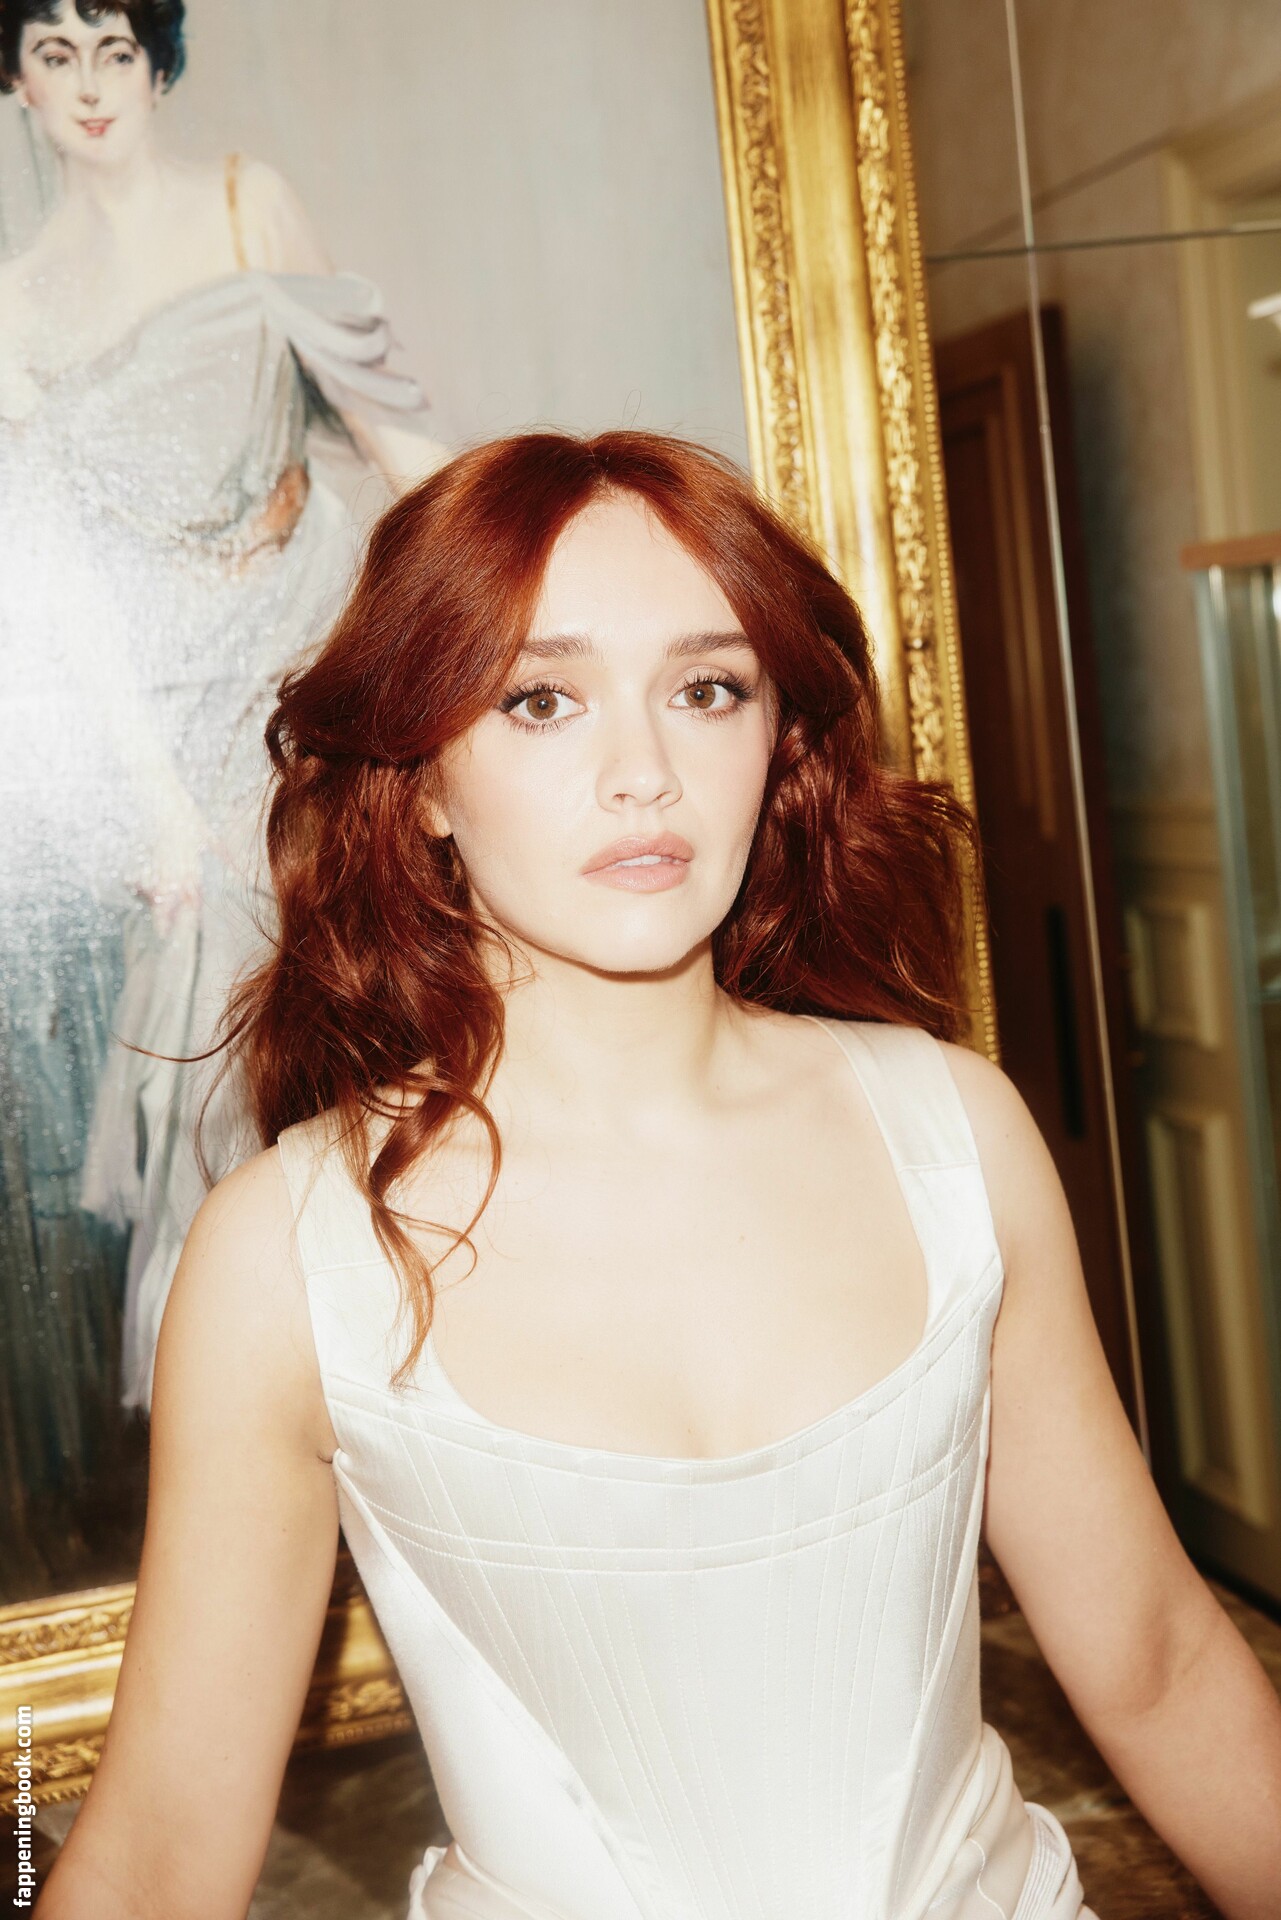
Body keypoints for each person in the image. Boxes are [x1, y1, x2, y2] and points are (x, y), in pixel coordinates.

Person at [35, 432, 1281, 1920]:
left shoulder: (956, 1136)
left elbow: (1158, 1661)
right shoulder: (285, 1261)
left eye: (706, 690)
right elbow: (162, 1852)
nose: (644, 775)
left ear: (777, 741)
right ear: (422, 782)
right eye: (541, 700)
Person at [0, 0, 449, 1499]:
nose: (90, 86)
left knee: (383, 974)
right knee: (223, 1018)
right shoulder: (13, 303)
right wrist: (150, 802)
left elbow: (394, 438)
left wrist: (511, 582)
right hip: (170, 703)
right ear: (16, 80)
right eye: (54, 54)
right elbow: (67, 598)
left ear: (157, 64)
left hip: (312, 627)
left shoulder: (253, 202)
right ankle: (262, 1419)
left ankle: (422, 1373)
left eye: (114, 51)